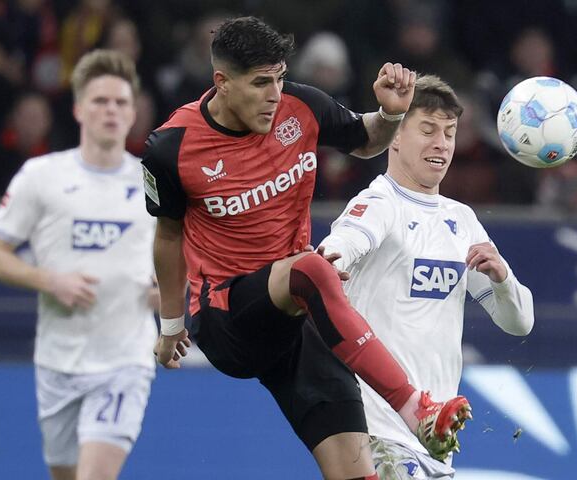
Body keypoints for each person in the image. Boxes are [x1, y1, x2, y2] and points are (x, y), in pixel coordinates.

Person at [142, 16, 470, 479]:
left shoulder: (301, 107)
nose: (274, 94)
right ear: (222, 83)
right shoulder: (170, 148)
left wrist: (392, 114)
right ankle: (417, 409)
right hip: (228, 315)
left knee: (358, 471)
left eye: (278, 78)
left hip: (296, 322)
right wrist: (171, 324)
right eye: (260, 83)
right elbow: (169, 235)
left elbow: (364, 141)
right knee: (312, 269)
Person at [319, 74, 535, 478]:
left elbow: (519, 323)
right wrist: (333, 262)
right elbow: (338, 248)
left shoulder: (461, 219)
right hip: (376, 429)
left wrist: (503, 278)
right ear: (396, 137)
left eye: (450, 133)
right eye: (428, 129)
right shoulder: (379, 203)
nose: (442, 143)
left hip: (433, 439)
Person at [0, 49, 158, 480]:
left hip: (125, 358)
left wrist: (169, 290)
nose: (111, 111)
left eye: (120, 102)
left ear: (133, 112)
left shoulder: (152, 184)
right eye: (100, 101)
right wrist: (50, 280)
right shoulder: (41, 176)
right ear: (79, 108)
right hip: (58, 358)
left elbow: (183, 257)